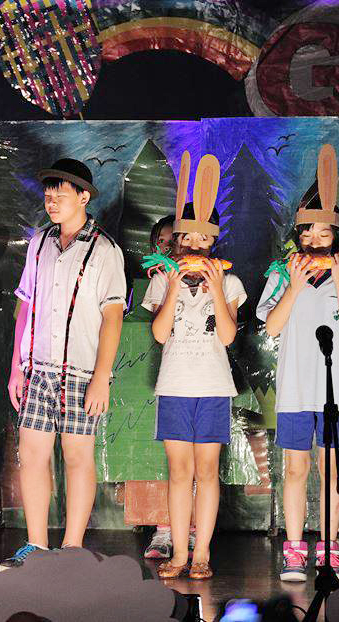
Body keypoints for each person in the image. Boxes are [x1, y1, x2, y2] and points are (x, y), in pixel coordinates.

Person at [0, 158, 126, 571]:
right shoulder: (39, 243)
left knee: (76, 456)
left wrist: (102, 377)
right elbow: (25, 306)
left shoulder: (104, 250)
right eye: (48, 194)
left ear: (84, 197)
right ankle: (35, 546)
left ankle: (72, 548)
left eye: (61, 194)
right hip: (39, 367)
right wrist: (17, 367)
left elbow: (113, 315)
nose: (52, 201)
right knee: (32, 454)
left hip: (82, 371)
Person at [256, 144, 339, 583]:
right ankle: (293, 550)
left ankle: (329, 548)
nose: (315, 241)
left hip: (335, 391)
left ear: (336, 235)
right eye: (307, 233)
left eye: (324, 234)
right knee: (295, 468)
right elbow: (272, 326)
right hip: (294, 390)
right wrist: (294, 285)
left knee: (330, 471)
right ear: (298, 234)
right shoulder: (282, 273)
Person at [142, 152, 246, 580]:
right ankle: (180, 553)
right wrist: (171, 287)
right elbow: (159, 334)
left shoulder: (230, 281)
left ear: (213, 243)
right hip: (174, 385)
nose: (195, 247)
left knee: (207, 470)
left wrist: (217, 289)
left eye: (204, 240)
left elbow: (228, 336)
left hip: (214, 386)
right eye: (188, 238)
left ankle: (201, 552)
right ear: (178, 239)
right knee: (179, 472)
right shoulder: (160, 279)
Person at [140, 214, 196, 561]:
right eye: (162, 241)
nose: (169, 246)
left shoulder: (214, 278)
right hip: (159, 380)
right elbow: (156, 330)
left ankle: (191, 530)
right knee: (166, 462)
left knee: (195, 465)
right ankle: (164, 529)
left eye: (174, 239)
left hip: (199, 379)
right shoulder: (156, 280)